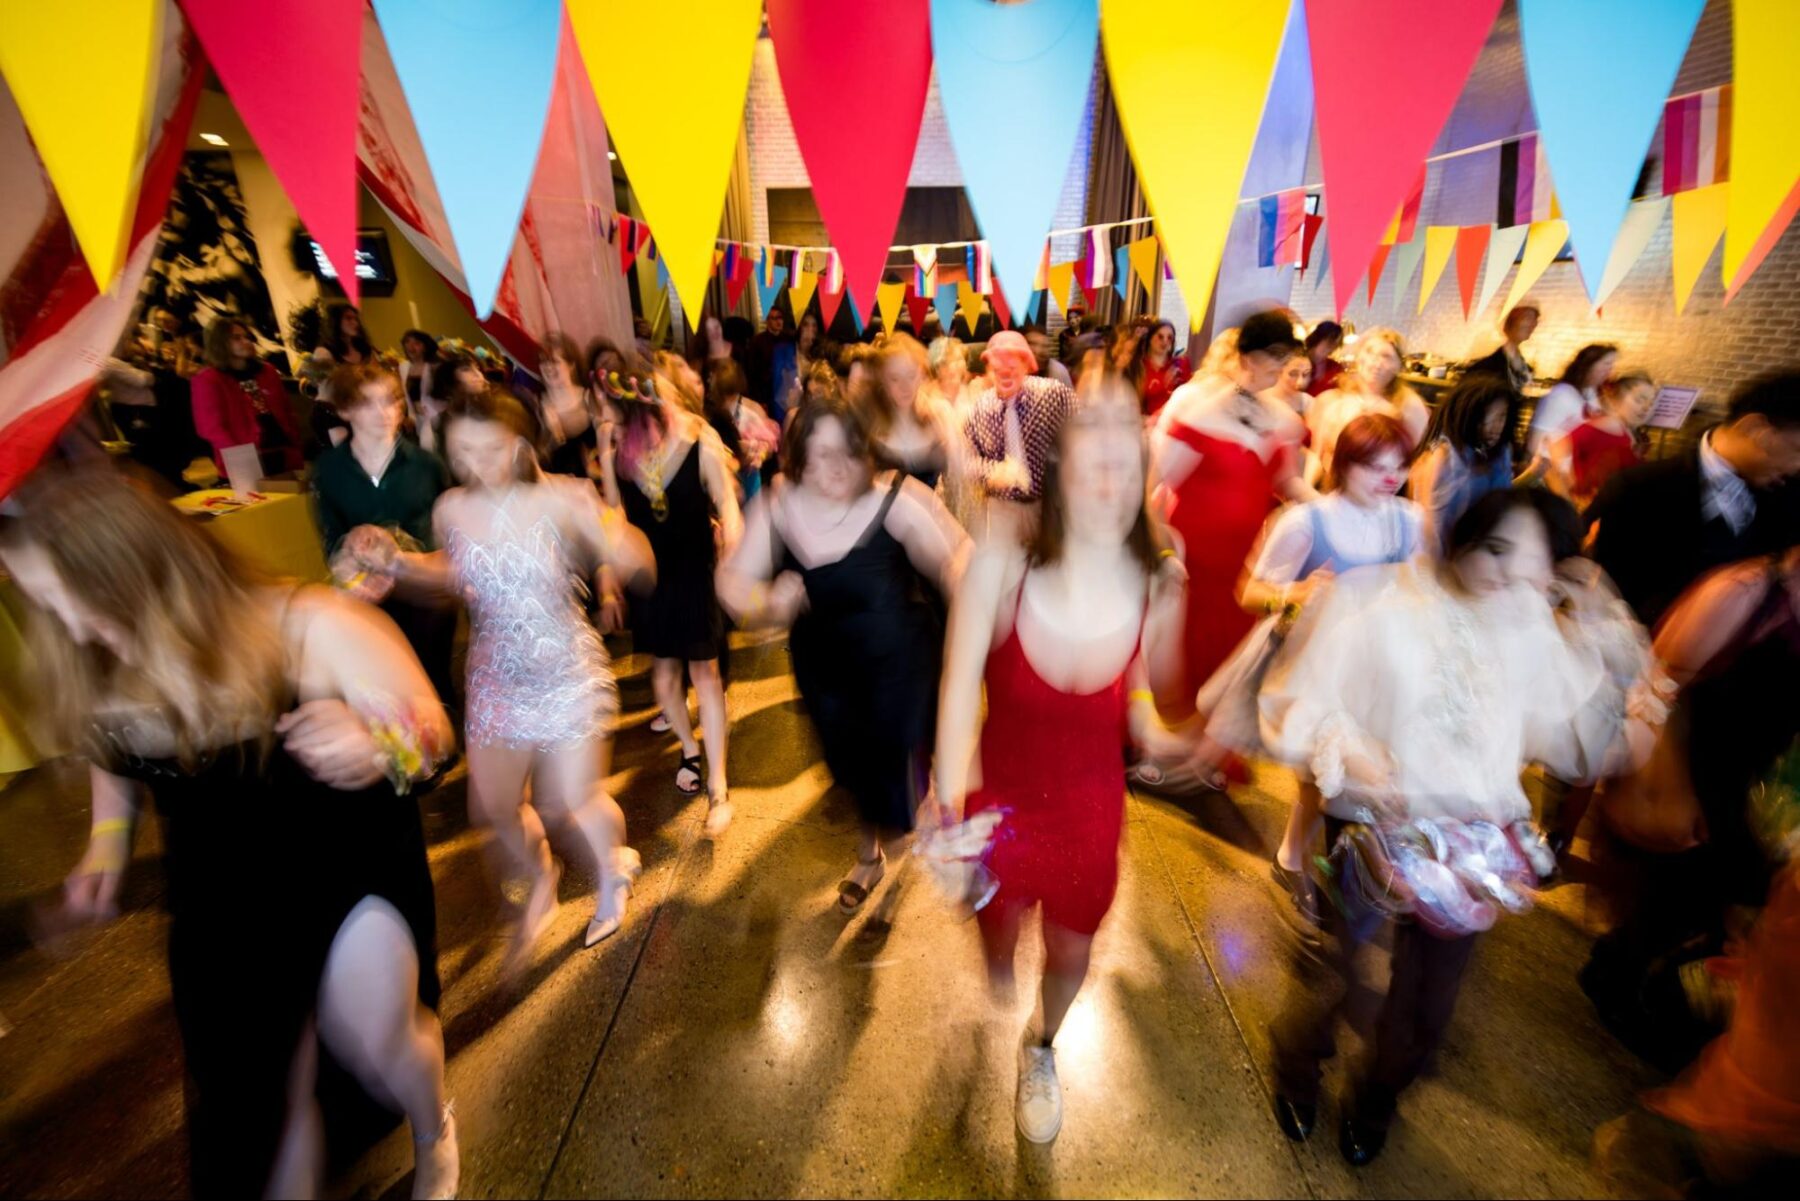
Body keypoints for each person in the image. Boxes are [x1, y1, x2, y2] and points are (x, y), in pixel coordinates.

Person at [2, 468, 458, 1198]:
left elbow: (431, 731)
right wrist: (107, 840)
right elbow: (111, 753)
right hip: (216, 894)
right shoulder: (95, 657)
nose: (74, 627)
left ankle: (433, 1124)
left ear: (140, 565)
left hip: (341, 864)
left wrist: (378, 743)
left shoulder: (306, 622)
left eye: (77, 600)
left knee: (379, 1042)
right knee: (256, 1110)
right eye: (46, 608)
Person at [1259, 486, 1660, 1166]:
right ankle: (1298, 1068)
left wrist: (1604, 631)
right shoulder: (1377, 597)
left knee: (1427, 1008)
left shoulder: (1533, 624)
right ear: (1468, 536)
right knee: (1338, 972)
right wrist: (1351, 748)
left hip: (1475, 843)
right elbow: (1301, 698)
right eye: (1497, 550)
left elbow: (1574, 738)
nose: (1507, 575)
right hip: (1371, 825)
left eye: (1529, 564)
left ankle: (1378, 1099)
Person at [934, 389, 1189, 1144]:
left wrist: (1167, 729)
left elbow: (1142, 696)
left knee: (1072, 951)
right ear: (1059, 471)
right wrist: (950, 813)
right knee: (995, 939)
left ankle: (1040, 1044)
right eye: (1093, 461)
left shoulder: (1154, 580)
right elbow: (955, 693)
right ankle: (1000, 954)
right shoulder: (1001, 563)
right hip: (999, 804)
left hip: (1088, 810)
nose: (1111, 481)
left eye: (1126, 462)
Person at [364, 388, 656, 956]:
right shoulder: (452, 507)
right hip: (497, 674)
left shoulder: (562, 497)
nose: (474, 464)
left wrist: (622, 542)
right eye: (461, 452)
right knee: (492, 807)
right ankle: (541, 873)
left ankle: (610, 872)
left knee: (574, 799)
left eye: (488, 449)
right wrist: (397, 561)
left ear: (520, 445)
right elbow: (453, 572)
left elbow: (637, 560)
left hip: (564, 668)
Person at [717, 391, 968, 913]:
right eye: (820, 453)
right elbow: (731, 583)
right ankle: (869, 855)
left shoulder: (894, 498)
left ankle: (910, 833)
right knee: (852, 772)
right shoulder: (780, 507)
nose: (836, 466)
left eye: (848, 452)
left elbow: (959, 557)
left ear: (866, 452)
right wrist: (768, 600)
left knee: (898, 773)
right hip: (827, 675)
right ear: (799, 457)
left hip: (902, 671)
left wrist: (967, 612)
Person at [1234, 414, 1422, 924]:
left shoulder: (1410, 521)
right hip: (1313, 666)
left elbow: (1424, 591)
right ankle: (1295, 860)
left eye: (1400, 465)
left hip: (1382, 668)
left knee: (1360, 775)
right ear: (1344, 464)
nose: (1390, 477)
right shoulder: (1305, 522)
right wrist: (1295, 592)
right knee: (1322, 774)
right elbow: (1249, 594)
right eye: (1374, 466)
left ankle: (1328, 863)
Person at [1148, 309, 1309, 719]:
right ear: (1248, 356)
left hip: (1242, 558)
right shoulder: (1197, 403)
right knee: (1179, 645)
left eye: (1285, 356)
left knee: (1228, 646)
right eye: (1274, 356)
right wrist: (1156, 550)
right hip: (1193, 553)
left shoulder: (1281, 418)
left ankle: (1208, 738)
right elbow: (1156, 482)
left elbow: (1288, 483)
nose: (1281, 365)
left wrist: (1338, 508)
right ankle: (1161, 736)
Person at [601, 371, 743, 834]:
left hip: (694, 571)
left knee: (706, 672)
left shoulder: (699, 439)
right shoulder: (623, 452)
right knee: (664, 680)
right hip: (652, 578)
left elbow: (726, 500)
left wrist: (734, 547)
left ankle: (719, 785)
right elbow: (614, 516)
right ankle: (690, 749)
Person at [1586, 371, 1800, 629]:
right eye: (1798, 451)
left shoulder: (1788, 493)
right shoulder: (1637, 487)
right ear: (1754, 429)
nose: (1797, 466)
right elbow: (1607, 595)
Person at [311, 364, 457, 709]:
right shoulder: (329, 470)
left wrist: (427, 566)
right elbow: (330, 536)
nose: (383, 412)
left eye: (390, 401)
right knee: (387, 684)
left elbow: (450, 530)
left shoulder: (426, 465)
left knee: (434, 679)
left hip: (425, 594)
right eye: (367, 403)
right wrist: (349, 560)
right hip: (370, 598)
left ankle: (448, 740)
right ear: (345, 410)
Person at [961, 330, 1077, 542]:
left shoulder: (1053, 394)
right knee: (1007, 570)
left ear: (1026, 365)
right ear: (988, 370)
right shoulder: (979, 407)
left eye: (1012, 367)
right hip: (1001, 509)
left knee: (1046, 568)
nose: (1005, 374)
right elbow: (965, 459)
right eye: (997, 369)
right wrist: (991, 472)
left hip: (1047, 506)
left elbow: (1081, 429)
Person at [1409, 374, 1520, 554]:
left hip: (1479, 556)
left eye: (1501, 417)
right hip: (1446, 559)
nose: (1496, 426)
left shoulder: (1500, 453)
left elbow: (1502, 499)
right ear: (1468, 415)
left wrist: (1535, 472)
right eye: (1487, 417)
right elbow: (1428, 527)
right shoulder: (1443, 457)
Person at [1306, 328, 1429, 478]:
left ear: (1399, 366)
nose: (1375, 361)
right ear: (1358, 356)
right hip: (1332, 488)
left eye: (1386, 356)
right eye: (1369, 352)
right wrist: (1307, 489)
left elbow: (1419, 462)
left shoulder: (1409, 405)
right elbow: (1317, 454)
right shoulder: (1333, 400)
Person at [190, 315, 303, 476]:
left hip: (282, 449)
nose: (246, 341)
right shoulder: (208, 379)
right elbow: (210, 427)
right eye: (237, 338)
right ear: (220, 343)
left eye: (247, 337)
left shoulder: (267, 370)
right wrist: (240, 457)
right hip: (244, 457)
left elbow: (286, 410)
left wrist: (295, 442)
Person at [862, 332, 963, 493]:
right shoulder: (870, 425)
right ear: (883, 381)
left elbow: (960, 477)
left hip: (932, 514)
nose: (905, 387)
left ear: (921, 374)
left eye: (911, 376)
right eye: (895, 378)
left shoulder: (938, 416)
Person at [1547, 371, 1654, 508]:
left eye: (1651, 404)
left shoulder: (1625, 432)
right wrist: (1572, 496)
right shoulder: (1607, 425)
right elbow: (1553, 453)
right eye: (1639, 400)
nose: (1646, 408)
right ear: (1616, 399)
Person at [1529, 343, 1618, 459]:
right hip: (1553, 467)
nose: (1609, 370)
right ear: (1589, 365)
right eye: (1606, 364)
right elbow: (1535, 442)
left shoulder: (1595, 396)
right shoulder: (1561, 395)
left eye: (1612, 365)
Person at [705, 359, 777, 500]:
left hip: (750, 477)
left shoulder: (752, 409)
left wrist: (758, 452)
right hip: (724, 476)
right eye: (723, 396)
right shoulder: (711, 414)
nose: (728, 401)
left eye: (732, 395)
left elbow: (769, 446)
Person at [531, 333, 601, 480]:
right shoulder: (537, 404)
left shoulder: (589, 398)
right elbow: (534, 461)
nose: (548, 367)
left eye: (555, 361)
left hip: (595, 486)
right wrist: (550, 439)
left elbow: (608, 442)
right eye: (543, 362)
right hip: (558, 490)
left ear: (571, 365)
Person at [309, 302, 377, 450]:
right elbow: (328, 387)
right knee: (346, 456)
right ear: (335, 322)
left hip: (357, 409)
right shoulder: (324, 352)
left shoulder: (364, 349)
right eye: (348, 318)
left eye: (355, 318)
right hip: (332, 411)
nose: (355, 323)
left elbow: (374, 379)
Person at [1464, 303, 1539, 394]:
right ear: (1512, 322)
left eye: (1534, 319)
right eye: (1527, 317)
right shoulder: (1484, 369)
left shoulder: (1522, 365)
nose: (1533, 324)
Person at [1130, 319, 1191, 418]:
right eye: (1160, 337)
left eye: (1169, 338)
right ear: (1150, 339)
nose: (1165, 341)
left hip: (1172, 420)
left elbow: (1189, 397)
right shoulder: (1140, 366)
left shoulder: (1181, 364)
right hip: (1146, 420)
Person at [746, 306, 795, 417]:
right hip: (766, 395)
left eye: (780, 318)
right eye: (774, 318)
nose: (778, 321)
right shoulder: (757, 342)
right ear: (768, 321)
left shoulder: (789, 340)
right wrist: (759, 400)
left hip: (786, 393)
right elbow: (752, 373)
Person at [927, 335, 971, 419]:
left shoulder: (971, 390)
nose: (953, 367)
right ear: (937, 368)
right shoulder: (928, 400)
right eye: (946, 362)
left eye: (958, 359)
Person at [398, 329, 439, 420]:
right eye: (407, 342)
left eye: (416, 343)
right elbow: (406, 396)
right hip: (418, 420)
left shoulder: (434, 367)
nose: (410, 347)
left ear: (425, 347)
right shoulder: (403, 367)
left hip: (436, 417)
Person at [1302, 321, 1344, 397]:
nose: (1332, 349)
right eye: (1329, 343)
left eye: (1336, 345)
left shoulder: (1335, 367)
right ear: (1318, 338)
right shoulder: (1298, 362)